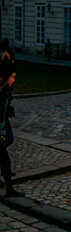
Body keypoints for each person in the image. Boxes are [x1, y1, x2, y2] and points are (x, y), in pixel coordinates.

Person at [0, 44, 21, 198]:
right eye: (12, 78)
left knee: (9, 140)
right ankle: (9, 190)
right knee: (5, 159)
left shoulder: (5, 92)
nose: (14, 80)